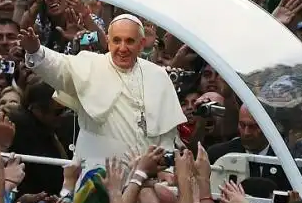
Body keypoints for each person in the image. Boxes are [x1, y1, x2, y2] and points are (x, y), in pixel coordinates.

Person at [19, 14, 186, 162]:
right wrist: (36, 51)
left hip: (145, 176)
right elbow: (59, 67)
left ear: (141, 44)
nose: (122, 48)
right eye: (116, 40)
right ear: (107, 41)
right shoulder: (90, 64)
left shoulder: (158, 76)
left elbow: (167, 136)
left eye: (129, 41)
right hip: (98, 172)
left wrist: (165, 169)